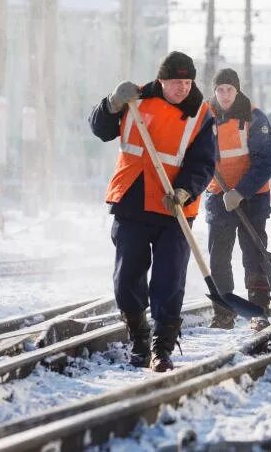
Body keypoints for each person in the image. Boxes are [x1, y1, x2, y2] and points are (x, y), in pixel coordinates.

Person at [88, 51, 215, 372]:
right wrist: (111, 104)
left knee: (169, 280)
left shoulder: (201, 114)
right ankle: (140, 339)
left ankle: (163, 348)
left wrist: (186, 190)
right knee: (127, 276)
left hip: (174, 207)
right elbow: (101, 129)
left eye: (187, 82)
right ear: (162, 80)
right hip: (132, 198)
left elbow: (204, 163)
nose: (182, 88)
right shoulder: (136, 98)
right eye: (176, 82)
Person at [205, 68, 271, 331]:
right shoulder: (204, 118)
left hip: (253, 196)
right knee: (218, 256)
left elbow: (267, 161)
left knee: (254, 252)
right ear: (214, 91)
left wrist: (241, 192)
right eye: (220, 90)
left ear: (237, 91)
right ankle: (224, 312)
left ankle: (258, 310)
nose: (225, 95)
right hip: (218, 196)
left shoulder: (254, 118)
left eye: (230, 90)